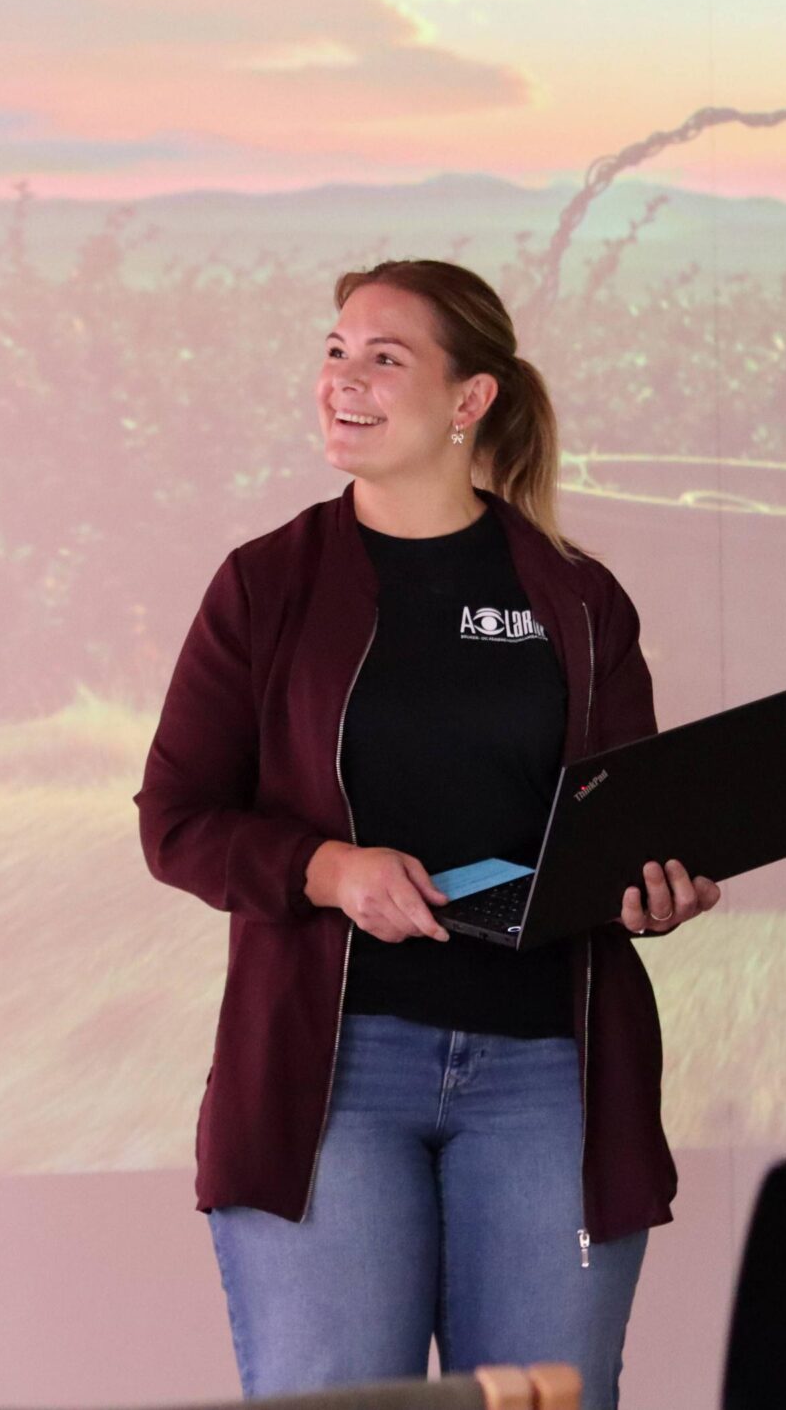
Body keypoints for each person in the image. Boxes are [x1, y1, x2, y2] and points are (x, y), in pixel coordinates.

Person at [136, 259, 720, 1409]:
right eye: (334, 351)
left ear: (471, 401)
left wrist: (653, 885)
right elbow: (177, 823)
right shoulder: (266, 586)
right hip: (331, 1080)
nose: (341, 381)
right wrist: (324, 869)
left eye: (383, 359)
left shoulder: (575, 596)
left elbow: (619, 822)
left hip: (549, 1079)